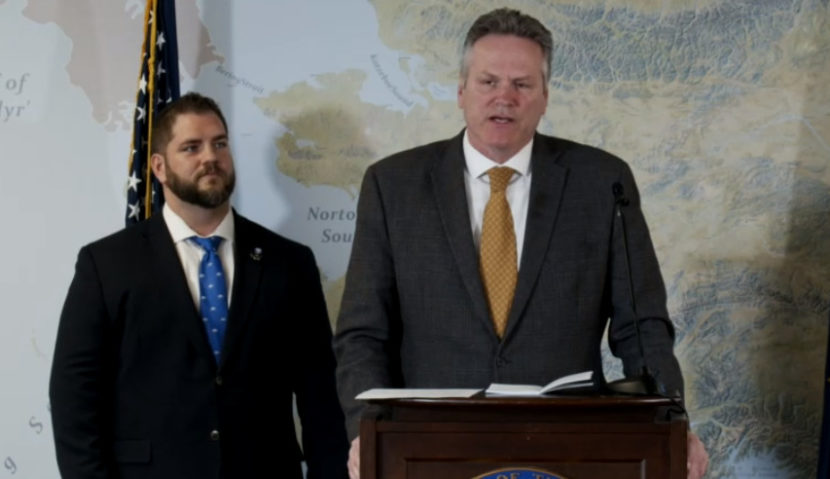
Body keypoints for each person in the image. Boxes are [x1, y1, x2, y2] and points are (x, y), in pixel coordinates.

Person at [334, 8, 708, 479]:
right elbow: (362, 335)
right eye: (489, 82)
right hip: (429, 449)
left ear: (545, 96)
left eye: (522, 85)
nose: (504, 98)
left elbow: (642, 327)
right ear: (461, 91)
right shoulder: (394, 185)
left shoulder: (602, 182)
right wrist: (363, 432)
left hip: (569, 450)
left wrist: (673, 423)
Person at [49, 92, 349, 479]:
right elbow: (74, 398)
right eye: (191, 147)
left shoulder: (289, 263)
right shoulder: (106, 265)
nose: (210, 157)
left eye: (219, 143)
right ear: (159, 166)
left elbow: (320, 394)